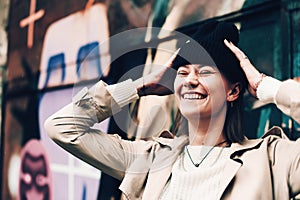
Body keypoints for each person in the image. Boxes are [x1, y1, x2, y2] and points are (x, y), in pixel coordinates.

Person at [44, 20, 300, 199]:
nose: (190, 79)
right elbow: (62, 127)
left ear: (233, 91)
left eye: (205, 71)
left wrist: (266, 86)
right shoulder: (149, 159)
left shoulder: (271, 160)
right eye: (182, 72)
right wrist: (139, 86)